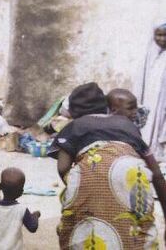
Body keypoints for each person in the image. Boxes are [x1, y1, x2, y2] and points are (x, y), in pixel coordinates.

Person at [49, 82, 166, 248]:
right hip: (132, 171)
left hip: (88, 173)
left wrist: (76, 186)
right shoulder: (127, 125)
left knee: (80, 226)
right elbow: (157, 175)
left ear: (73, 112)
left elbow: (62, 167)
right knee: (136, 226)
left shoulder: (74, 126)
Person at [0, 167, 40, 250]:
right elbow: (33, 228)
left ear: (0, 187)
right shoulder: (22, 210)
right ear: (21, 192)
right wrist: (35, 215)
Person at [136, 22, 166, 160]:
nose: (162, 39)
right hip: (152, 104)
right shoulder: (152, 56)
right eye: (158, 35)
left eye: (165, 35)